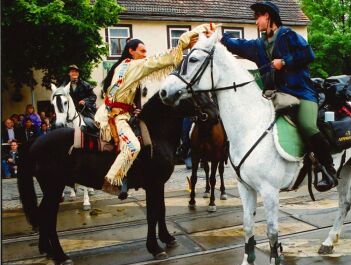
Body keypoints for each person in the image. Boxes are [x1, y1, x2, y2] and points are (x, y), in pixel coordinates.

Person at [218, 1, 337, 190]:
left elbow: (308, 54)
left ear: (268, 16)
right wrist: (219, 37)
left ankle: (328, 170)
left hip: (302, 93)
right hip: (276, 96)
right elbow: (238, 45)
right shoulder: (259, 45)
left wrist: (284, 61)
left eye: (258, 17)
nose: (256, 21)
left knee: (307, 125)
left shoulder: (288, 35)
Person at [95, 24, 209, 197]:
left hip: (118, 112)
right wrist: (181, 46)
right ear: (131, 51)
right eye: (142, 50)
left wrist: (133, 108)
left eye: (145, 51)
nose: (144, 54)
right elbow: (155, 62)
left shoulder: (121, 67)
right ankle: (114, 180)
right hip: (115, 117)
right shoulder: (132, 65)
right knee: (133, 146)